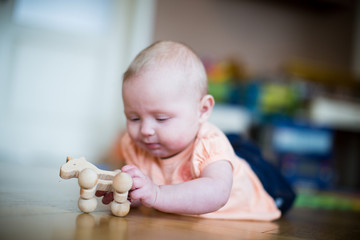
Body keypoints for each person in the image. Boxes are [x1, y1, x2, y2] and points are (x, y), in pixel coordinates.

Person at [96, 40, 281, 221]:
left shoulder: (210, 144)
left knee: (273, 184)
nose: (145, 130)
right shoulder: (134, 144)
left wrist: (157, 194)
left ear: (203, 110)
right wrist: (127, 191)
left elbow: (217, 192)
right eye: (134, 118)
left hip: (257, 186)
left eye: (161, 118)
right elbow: (145, 193)